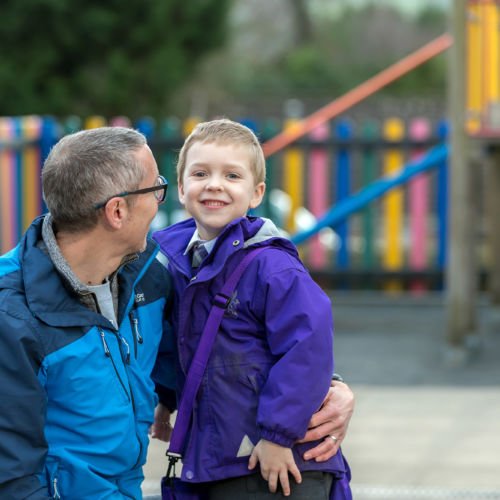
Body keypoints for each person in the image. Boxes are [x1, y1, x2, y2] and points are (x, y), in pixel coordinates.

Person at [153, 118, 352, 499]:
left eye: (231, 175)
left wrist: (278, 436)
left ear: (256, 192)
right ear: (180, 187)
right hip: (221, 461)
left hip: (278, 461)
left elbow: (307, 347)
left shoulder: (272, 267)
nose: (214, 184)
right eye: (200, 173)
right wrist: (167, 398)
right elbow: (184, 342)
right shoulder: (176, 262)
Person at [0, 127, 177, 498]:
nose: (161, 200)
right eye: (155, 187)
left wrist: (330, 390)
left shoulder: (150, 274)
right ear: (117, 211)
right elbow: (11, 478)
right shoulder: (12, 315)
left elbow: (225, 344)